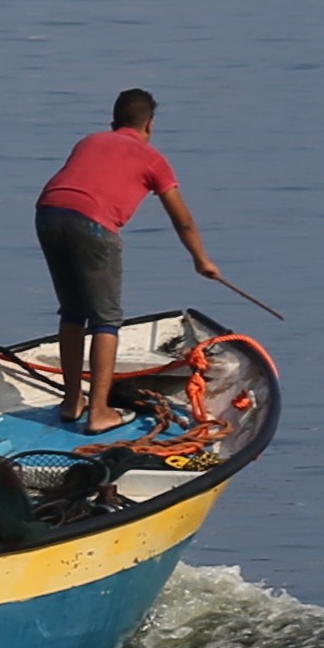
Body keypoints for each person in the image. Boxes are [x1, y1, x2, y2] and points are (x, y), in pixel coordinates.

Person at [33, 88, 224, 436]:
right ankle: (99, 412)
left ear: (113, 122)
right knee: (106, 319)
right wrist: (202, 260)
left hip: (48, 213)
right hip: (92, 224)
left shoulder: (90, 140)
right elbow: (183, 219)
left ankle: (72, 402)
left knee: (73, 311)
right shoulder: (152, 158)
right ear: (149, 125)